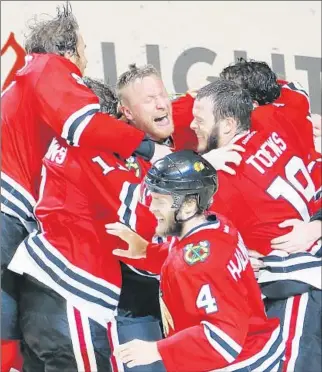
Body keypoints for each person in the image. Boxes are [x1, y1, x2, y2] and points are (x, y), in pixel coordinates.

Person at [0, 4, 160, 370]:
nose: (85, 63)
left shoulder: (26, 79)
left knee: (7, 334)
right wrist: (152, 148)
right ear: (67, 50)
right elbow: (84, 126)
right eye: (84, 51)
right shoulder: (48, 67)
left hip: (23, 233)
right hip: (21, 225)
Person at [106, 150, 284, 371]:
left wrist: (156, 350)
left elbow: (223, 340)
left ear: (189, 205)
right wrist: (146, 251)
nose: (152, 208)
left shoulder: (198, 265)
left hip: (241, 363)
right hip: (254, 347)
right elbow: (185, 256)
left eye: (160, 200)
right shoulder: (216, 223)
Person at [188, 79, 321, 372]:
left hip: (300, 285)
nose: (191, 125)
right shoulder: (273, 123)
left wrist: (202, 166)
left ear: (227, 126)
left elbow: (166, 229)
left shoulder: (222, 180)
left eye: (199, 119)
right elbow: (295, 90)